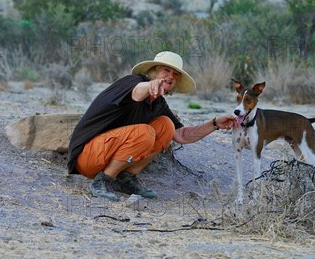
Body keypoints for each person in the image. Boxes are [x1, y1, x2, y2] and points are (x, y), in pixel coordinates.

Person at [67, 51, 237, 201]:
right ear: (153, 71)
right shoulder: (132, 82)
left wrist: (214, 124)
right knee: (145, 132)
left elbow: (182, 135)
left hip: (107, 153)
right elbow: (137, 92)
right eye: (166, 70)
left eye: (175, 74)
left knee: (166, 126)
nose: (171, 76)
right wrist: (150, 85)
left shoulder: (159, 104)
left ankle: (126, 179)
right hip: (87, 157)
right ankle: (102, 181)